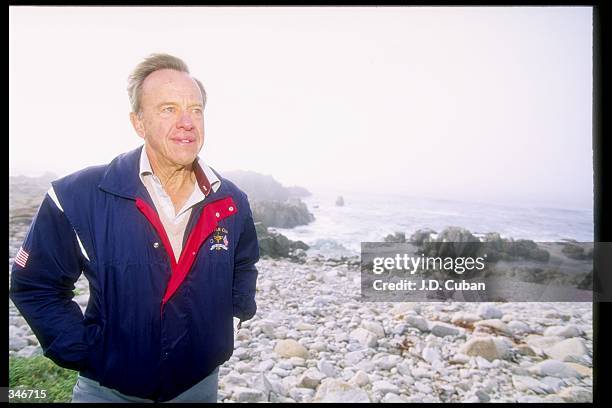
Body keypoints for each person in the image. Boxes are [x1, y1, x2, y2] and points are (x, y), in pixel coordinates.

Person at [9, 53, 259, 403]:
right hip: (108, 391)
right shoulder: (77, 195)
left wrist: (230, 323)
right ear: (138, 123)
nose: (187, 122)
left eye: (196, 109)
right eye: (168, 109)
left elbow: (244, 264)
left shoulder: (230, 200)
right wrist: (87, 352)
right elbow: (35, 285)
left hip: (198, 387)